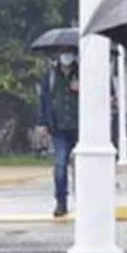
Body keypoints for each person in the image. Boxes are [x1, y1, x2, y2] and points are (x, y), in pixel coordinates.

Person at [38, 51, 80, 217]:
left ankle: (84, 201)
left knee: (82, 168)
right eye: (62, 52)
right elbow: (44, 99)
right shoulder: (50, 75)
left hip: (80, 128)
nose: (66, 56)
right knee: (60, 165)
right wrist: (43, 123)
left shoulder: (84, 72)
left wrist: (83, 87)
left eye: (69, 52)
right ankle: (61, 202)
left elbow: (102, 92)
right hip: (59, 128)